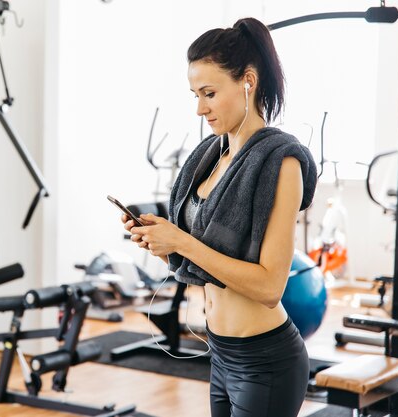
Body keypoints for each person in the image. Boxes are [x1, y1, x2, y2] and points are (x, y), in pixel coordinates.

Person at [122, 17, 318, 417]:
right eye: (195, 94)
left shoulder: (281, 163)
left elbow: (269, 288)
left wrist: (181, 241)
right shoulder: (208, 159)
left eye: (209, 93)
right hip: (220, 355)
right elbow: (199, 264)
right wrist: (160, 242)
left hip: (266, 361)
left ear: (248, 81)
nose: (200, 108)